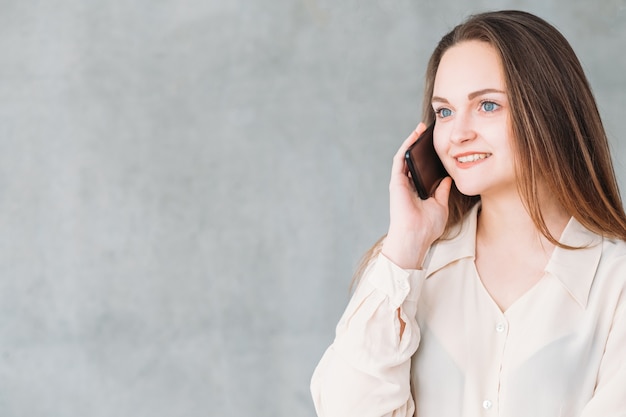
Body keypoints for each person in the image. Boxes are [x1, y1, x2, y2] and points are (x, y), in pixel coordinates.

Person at [310, 10, 626, 417]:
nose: (457, 134)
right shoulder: (407, 271)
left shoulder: (614, 282)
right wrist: (404, 248)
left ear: (550, 112)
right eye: (444, 112)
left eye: (488, 105)